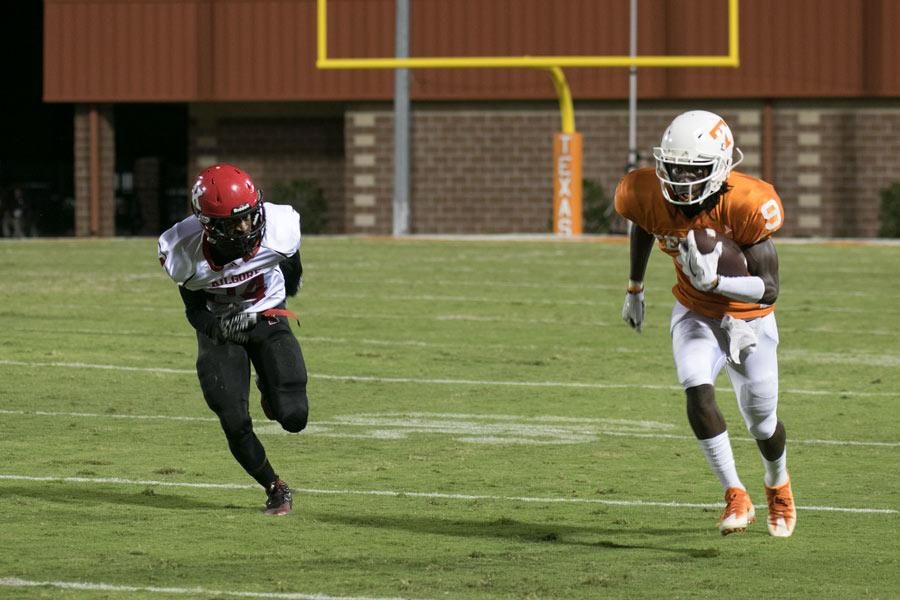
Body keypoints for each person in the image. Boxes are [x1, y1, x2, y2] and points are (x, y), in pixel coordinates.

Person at [614, 110, 796, 537]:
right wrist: (634, 288)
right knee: (696, 388)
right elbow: (643, 225)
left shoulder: (748, 203)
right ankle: (735, 492)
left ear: (719, 168)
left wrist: (719, 280)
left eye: (693, 170)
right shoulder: (645, 192)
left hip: (749, 320)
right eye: (674, 167)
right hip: (694, 311)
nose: (680, 178)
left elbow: (769, 289)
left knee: (762, 424)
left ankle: (777, 484)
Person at [157, 163, 309, 516]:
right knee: (233, 418)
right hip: (221, 327)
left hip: (267, 315)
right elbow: (194, 311)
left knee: (294, 416)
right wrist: (217, 329)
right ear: (208, 225)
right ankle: (274, 486)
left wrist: (290, 286)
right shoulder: (185, 250)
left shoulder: (279, 227)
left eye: (248, 216)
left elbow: (291, 261)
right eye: (233, 222)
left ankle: (269, 388)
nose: (245, 227)